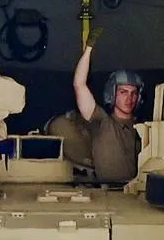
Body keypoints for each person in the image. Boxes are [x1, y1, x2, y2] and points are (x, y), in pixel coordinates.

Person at [48, 37, 143, 184]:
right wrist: (89, 49)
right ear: (112, 94)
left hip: (137, 191)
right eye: (123, 92)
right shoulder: (102, 121)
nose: (129, 98)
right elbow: (79, 84)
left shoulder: (143, 129)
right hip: (108, 191)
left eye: (134, 93)